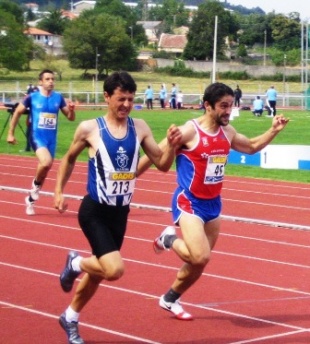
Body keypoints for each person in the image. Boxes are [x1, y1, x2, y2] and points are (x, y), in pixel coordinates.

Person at [137, 82, 289, 321]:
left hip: (213, 204)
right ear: (208, 106)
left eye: (231, 105)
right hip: (189, 201)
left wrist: (274, 130)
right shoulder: (190, 131)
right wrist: (132, 176)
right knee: (200, 256)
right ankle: (168, 239)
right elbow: (156, 152)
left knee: (199, 263)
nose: (228, 111)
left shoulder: (227, 132)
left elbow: (251, 147)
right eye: (223, 106)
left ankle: (170, 298)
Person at [54, 71, 181, 344]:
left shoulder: (141, 127)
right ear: (107, 97)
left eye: (130, 99)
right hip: (94, 211)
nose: (125, 105)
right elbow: (68, 159)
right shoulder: (90, 128)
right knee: (113, 270)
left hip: (120, 213)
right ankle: (75, 262)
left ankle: (70, 317)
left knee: (98, 273)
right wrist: (59, 190)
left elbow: (162, 165)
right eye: (120, 99)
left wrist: (171, 145)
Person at [7, 69, 75, 215]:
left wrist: (72, 110)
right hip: (37, 135)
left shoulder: (58, 98)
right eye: (47, 79)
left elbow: (70, 118)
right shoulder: (32, 97)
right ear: (41, 82)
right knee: (45, 162)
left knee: (46, 168)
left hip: (51, 138)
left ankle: (31, 197)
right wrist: (10, 133)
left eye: (52, 79)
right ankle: (35, 187)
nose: (51, 81)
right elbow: (17, 112)